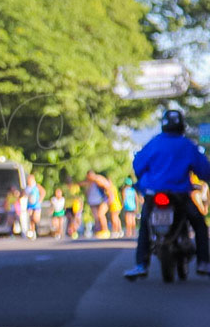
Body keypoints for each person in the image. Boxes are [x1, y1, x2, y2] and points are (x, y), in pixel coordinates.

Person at [125, 109, 210, 279]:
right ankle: (203, 262)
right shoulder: (187, 145)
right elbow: (204, 170)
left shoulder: (154, 143)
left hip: (153, 193)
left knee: (145, 226)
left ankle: (141, 264)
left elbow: (138, 165)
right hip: (179, 194)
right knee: (199, 225)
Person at [84, 170, 113, 239]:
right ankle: (100, 230)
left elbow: (108, 187)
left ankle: (105, 230)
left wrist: (110, 197)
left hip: (103, 200)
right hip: (94, 201)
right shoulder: (91, 182)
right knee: (97, 217)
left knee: (101, 214)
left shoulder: (98, 179)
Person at [24, 174, 45, 239]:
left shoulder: (36, 186)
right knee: (31, 219)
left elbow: (43, 192)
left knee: (35, 219)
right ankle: (32, 232)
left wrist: (40, 199)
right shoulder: (27, 188)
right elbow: (23, 194)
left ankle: (36, 228)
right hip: (30, 205)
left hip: (36, 205)